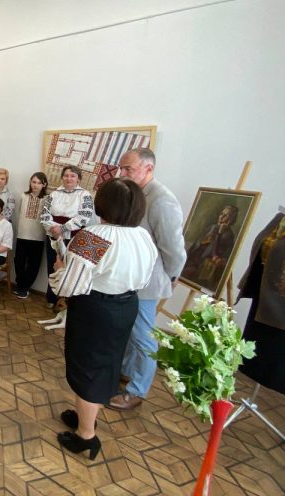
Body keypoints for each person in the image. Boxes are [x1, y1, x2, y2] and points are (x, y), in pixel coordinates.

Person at [50, 178, 157, 460]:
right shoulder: (142, 236)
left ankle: (86, 436)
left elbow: (68, 286)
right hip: (127, 305)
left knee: (87, 368)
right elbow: (145, 278)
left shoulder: (93, 236)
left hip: (95, 309)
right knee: (107, 364)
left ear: (103, 204)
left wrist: (60, 268)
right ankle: (87, 417)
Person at [108, 148, 186, 411]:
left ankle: (137, 390)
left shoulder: (162, 201)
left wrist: (171, 277)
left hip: (147, 282)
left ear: (148, 169)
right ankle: (128, 373)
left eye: (128, 169)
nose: (122, 173)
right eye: (121, 168)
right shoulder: (134, 194)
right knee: (132, 333)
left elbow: (174, 249)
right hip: (128, 280)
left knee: (143, 337)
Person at [237, 212, 285, 394]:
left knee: (271, 366)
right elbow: (260, 247)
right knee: (252, 356)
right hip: (263, 298)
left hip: (280, 312)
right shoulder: (280, 219)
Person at [40, 165, 94, 308]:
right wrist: (54, 229)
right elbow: (44, 213)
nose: (69, 178)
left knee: (70, 269)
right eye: (66, 175)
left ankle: (67, 301)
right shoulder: (54, 194)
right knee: (53, 265)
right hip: (53, 234)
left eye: (72, 176)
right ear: (62, 177)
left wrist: (62, 229)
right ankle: (52, 298)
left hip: (73, 237)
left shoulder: (85, 195)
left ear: (78, 179)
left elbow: (85, 216)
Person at [183, 205, 238, 288]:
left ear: (230, 220)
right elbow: (197, 244)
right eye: (221, 214)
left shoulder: (228, 235)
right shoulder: (212, 227)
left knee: (189, 274)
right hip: (193, 259)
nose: (221, 217)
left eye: (225, 216)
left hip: (203, 265)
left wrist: (219, 234)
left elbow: (215, 253)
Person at [13, 172, 49, 299]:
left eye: (39, 183)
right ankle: (20, 285)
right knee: (19, 261)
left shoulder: (47, 199)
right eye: (34, 182)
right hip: (22, 234)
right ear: (30, 182)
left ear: (44, 184)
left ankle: (25, 287)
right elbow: (19, 213)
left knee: (33, 264)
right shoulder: (23, 196)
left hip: (38, 236)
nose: (36, 185)